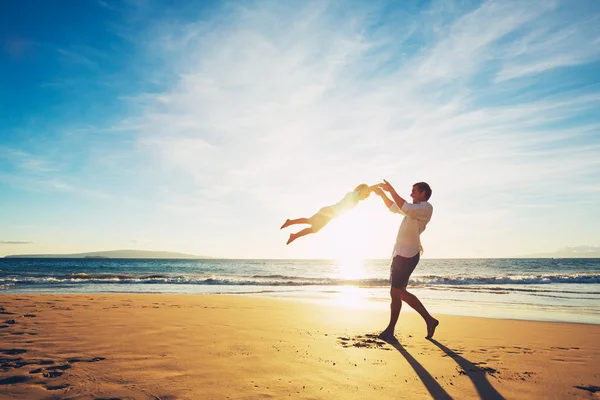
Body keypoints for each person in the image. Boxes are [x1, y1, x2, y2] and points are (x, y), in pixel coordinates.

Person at [373, 179, 439, 340]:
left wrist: (392, 190)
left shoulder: (425, 208)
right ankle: (430, 320)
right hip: (400, 253)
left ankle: (390, 330)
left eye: (414, 191)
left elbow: (404, 206)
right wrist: (382, 194)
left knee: (396, 292)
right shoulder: (413, 209)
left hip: (408, 254)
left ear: (423, 193)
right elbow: (393, 207)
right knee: (399, 292)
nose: (411, 194)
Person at [281, 184, 376, 245]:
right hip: (329, 212)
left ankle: (292, 228)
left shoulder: (356, 200)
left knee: (311, 223)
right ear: (362, 190)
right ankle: (293, 233)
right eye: (367, 194)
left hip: (329, 214)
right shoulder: (353, 194)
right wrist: (377, 186)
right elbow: (366, 190)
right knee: (312, 226)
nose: (367, 196)